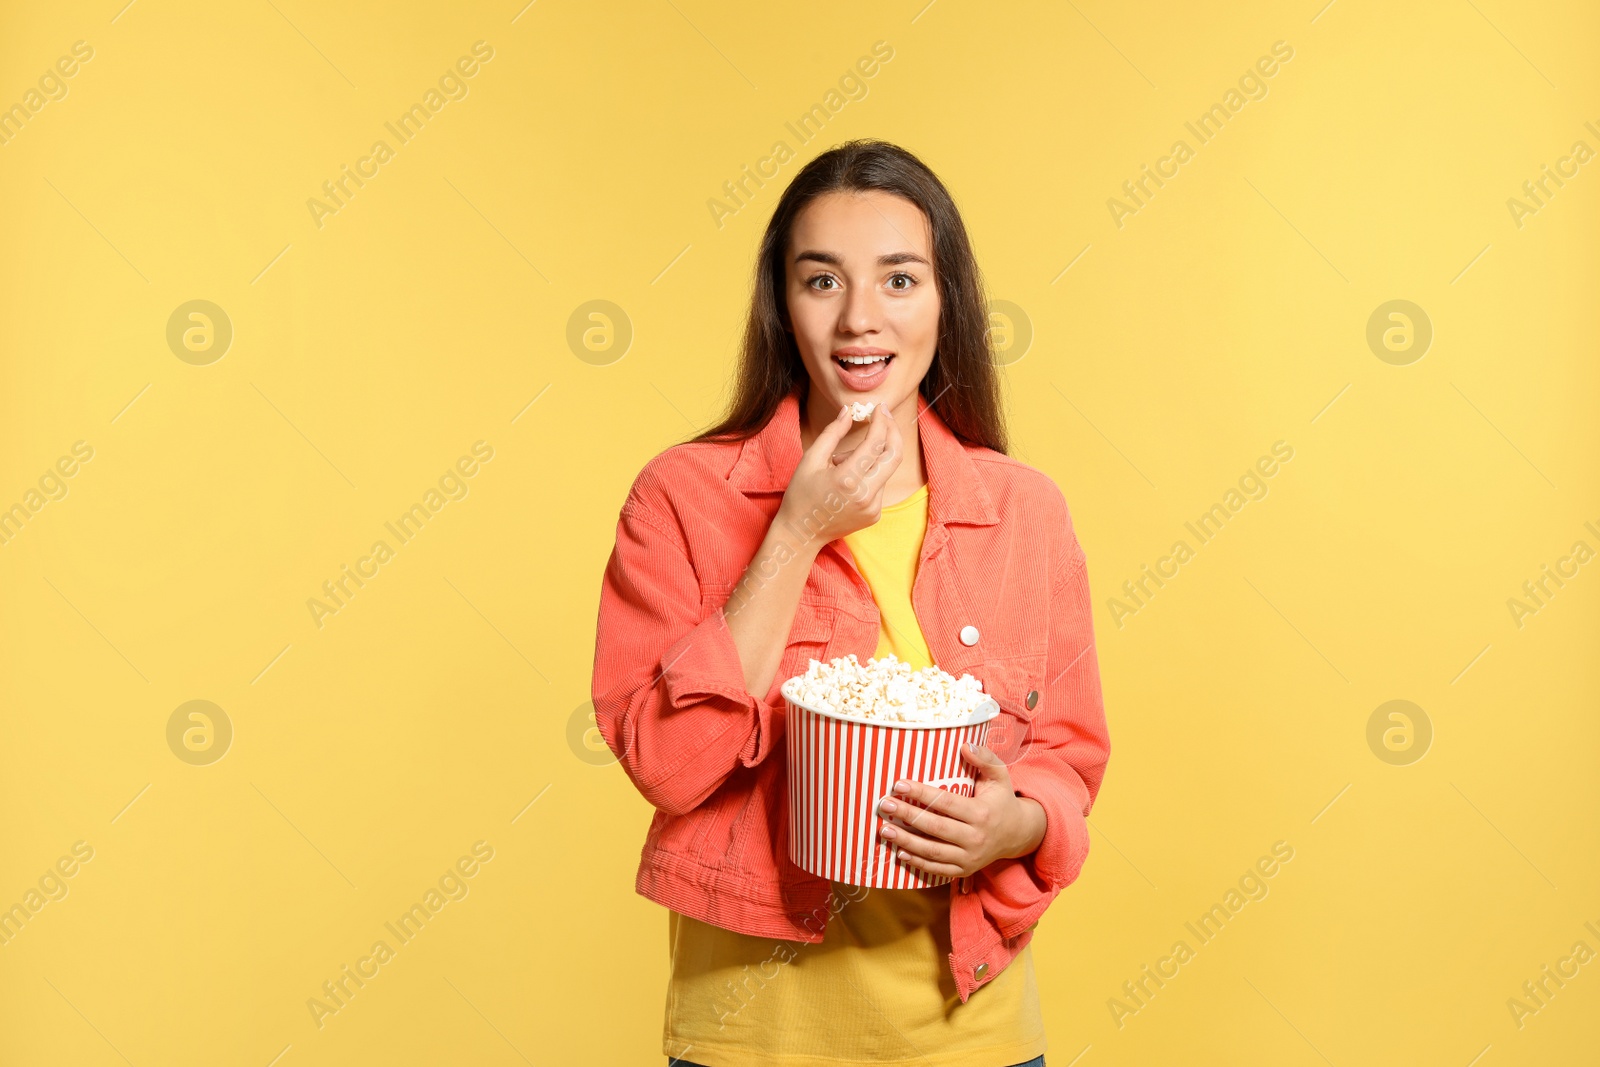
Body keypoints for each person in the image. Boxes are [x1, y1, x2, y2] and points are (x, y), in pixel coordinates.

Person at [591, 138, 1110, 1067]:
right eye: (822, 281)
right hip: (749, 1039)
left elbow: (1069, 759)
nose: (860, 320)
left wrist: (1016, 822)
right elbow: (669, 767)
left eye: (900, 281)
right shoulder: (680, 498)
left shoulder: (1025, 512)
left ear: (945, 300)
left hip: (972, 1036)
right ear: (781, 304)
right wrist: (795, 533)